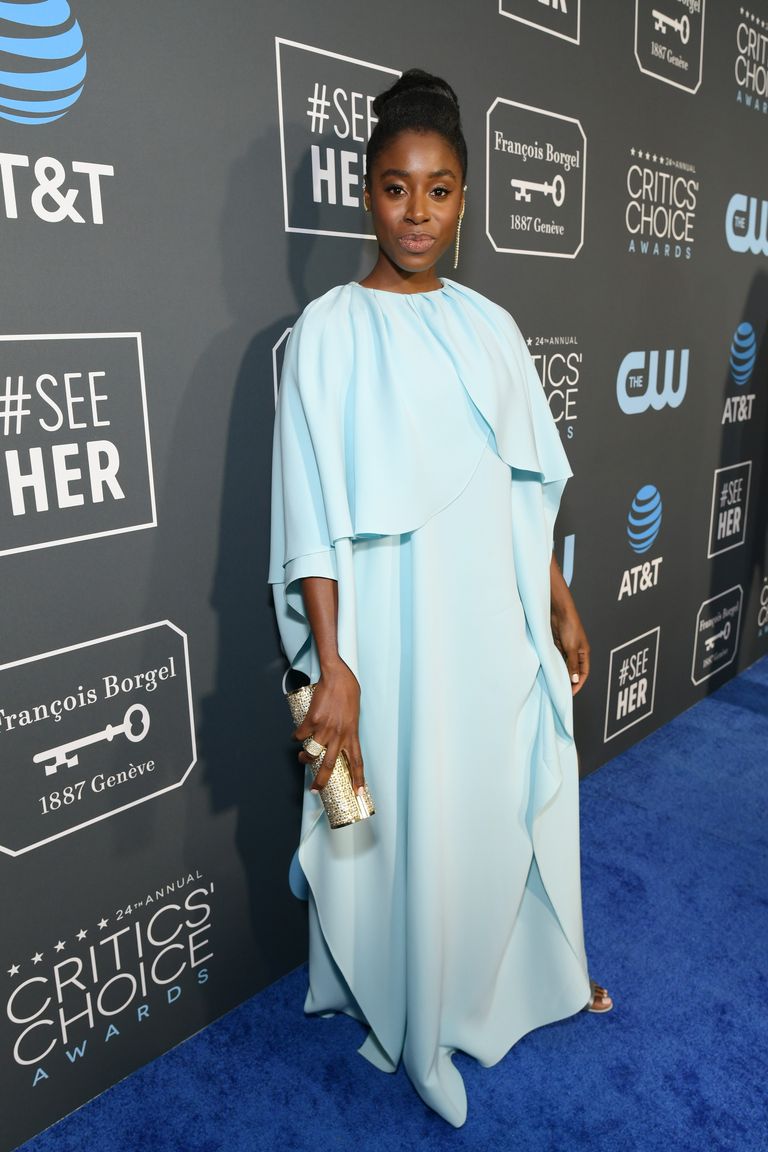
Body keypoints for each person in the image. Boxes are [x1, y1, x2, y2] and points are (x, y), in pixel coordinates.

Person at [269, 69, 612, 1129]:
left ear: (466, 199)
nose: (416, 213)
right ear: (366, 195)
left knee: (496, 798)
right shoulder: (327, 331)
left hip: (488, 619)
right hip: (395, 631)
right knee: (412, 817)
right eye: (395, 188)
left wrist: (557, 602)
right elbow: (309, 513)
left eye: (440, 189)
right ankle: (418, 1017)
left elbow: (520, 488)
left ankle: (523, 976)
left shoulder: (492, 327)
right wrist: (333, 663)